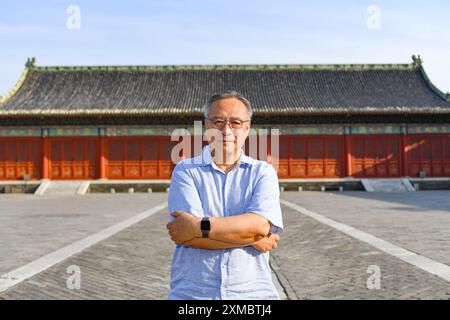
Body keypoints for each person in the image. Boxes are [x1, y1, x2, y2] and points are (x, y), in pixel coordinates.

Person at [166, 90, 283, 300]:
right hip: (194, 294)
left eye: (236, 123)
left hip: (253, 294)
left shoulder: (263, 172)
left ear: (247, 129)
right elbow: (187, 237)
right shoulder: (186, 171)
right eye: (218, 121)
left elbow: (259, 226)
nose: (226, 130)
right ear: (206, 127)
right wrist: (253, 238)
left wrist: (199, 226)